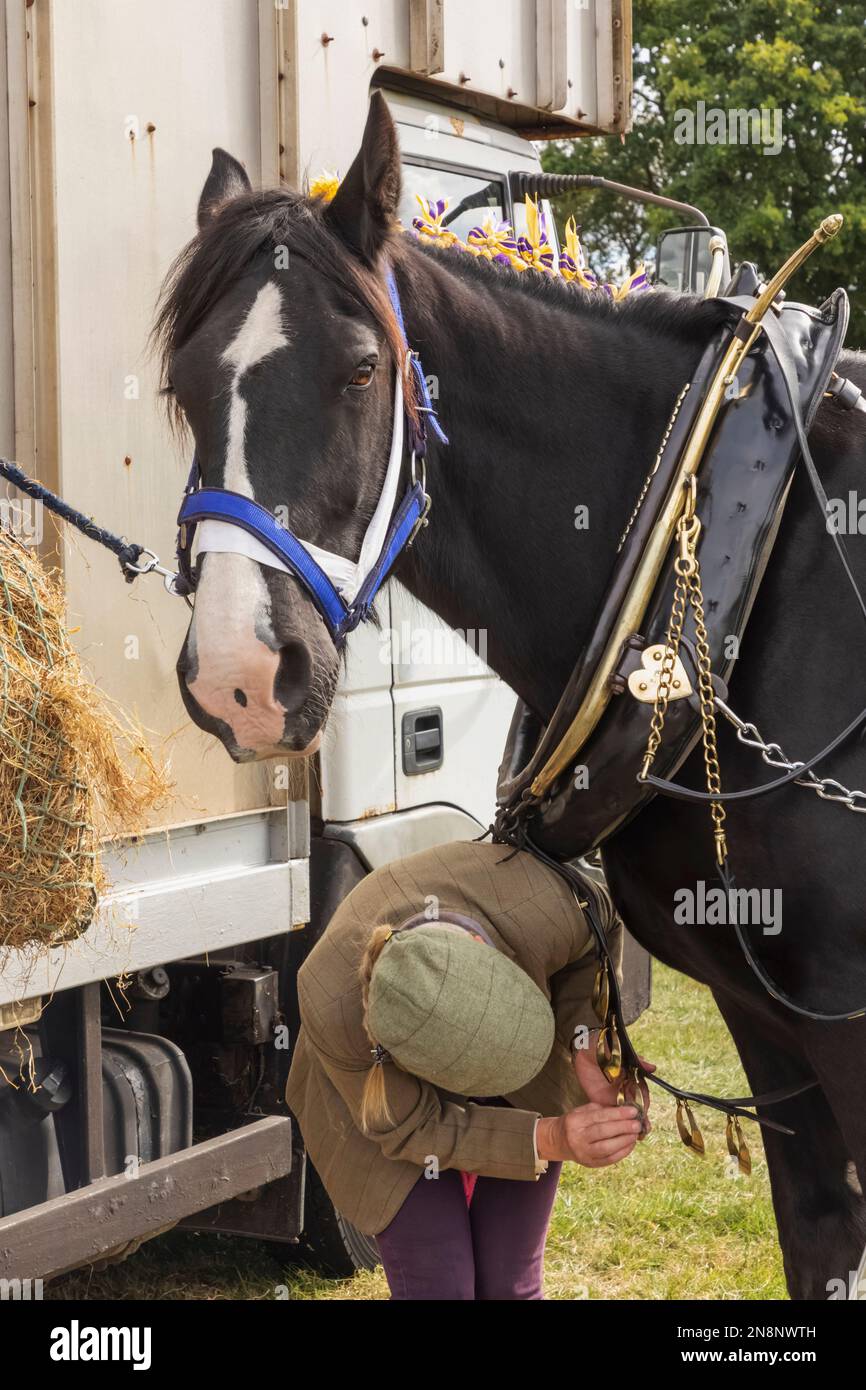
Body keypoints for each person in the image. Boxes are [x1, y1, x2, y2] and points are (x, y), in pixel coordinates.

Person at [286, 838, 653, 1300]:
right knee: (439, 1283)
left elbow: (599, 928)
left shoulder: (541, 905)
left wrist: (589, 1042)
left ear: (485, 947)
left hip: (521, 1064)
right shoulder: (332, 1007)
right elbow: (410, 1127)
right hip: (385, 1105)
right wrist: (554, 1137)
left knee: (509, 1283)